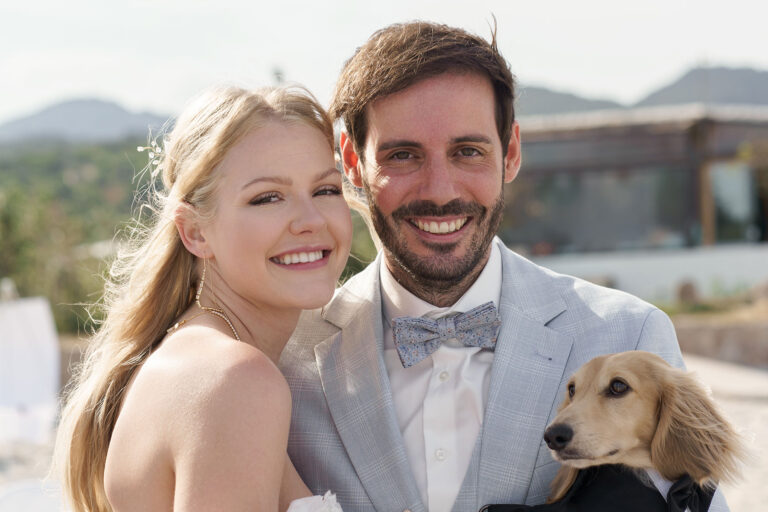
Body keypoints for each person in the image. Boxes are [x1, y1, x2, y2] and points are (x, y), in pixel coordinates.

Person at [279, 21, 730, 512]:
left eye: (467, 151)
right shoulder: (283, 358)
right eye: (403, 155)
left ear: (510, 152)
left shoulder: (631, 333)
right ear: (352, 163)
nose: (441, 190)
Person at [53, 86, 352, 512]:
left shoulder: (198, 357)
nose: (311, 220)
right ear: (195, 232)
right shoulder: (235, 379)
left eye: (326, 190)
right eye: (267, 197)